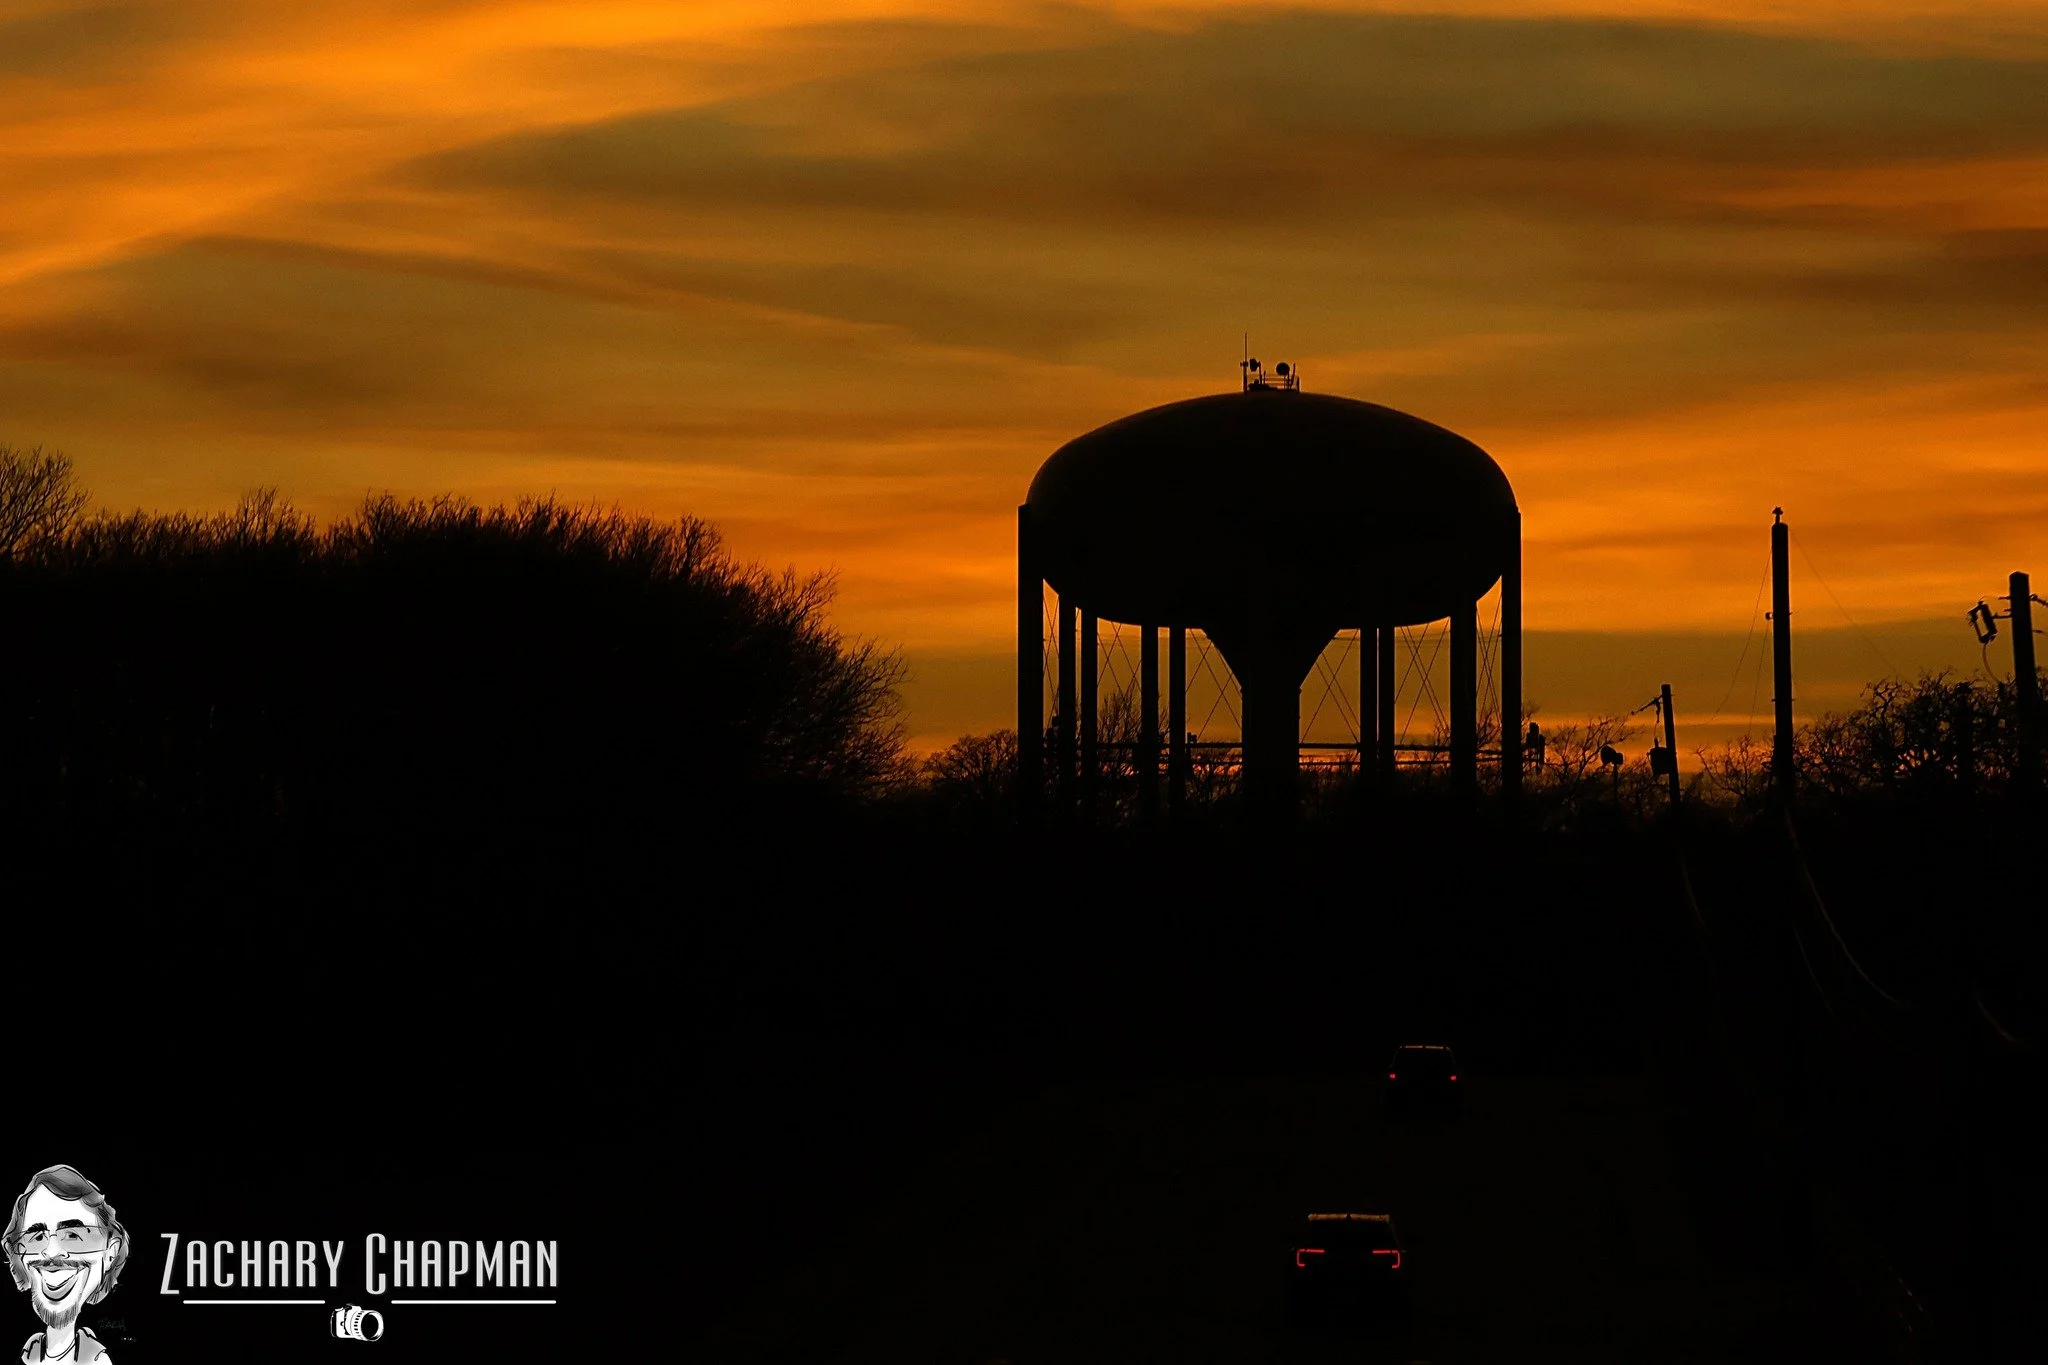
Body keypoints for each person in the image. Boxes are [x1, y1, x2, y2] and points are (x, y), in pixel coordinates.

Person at [5, 1166, 125, 1363]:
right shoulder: (29, 1350)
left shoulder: (96, 1360)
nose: (51, 1252)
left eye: (73, 1235)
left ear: (110, 1251)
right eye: (36, 1237)